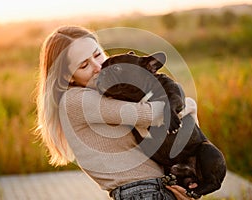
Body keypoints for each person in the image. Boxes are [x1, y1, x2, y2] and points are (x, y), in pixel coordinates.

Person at [36, 25, 199, 200]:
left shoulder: (113, 92)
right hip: (143, 192)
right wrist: (188, 103)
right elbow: (151, 114)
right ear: (67, 77)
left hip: (159, 188)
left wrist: (191, 177)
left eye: (98, 54)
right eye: (84, 65)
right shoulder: (76, 100)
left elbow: (179, 129)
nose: (98, 67)